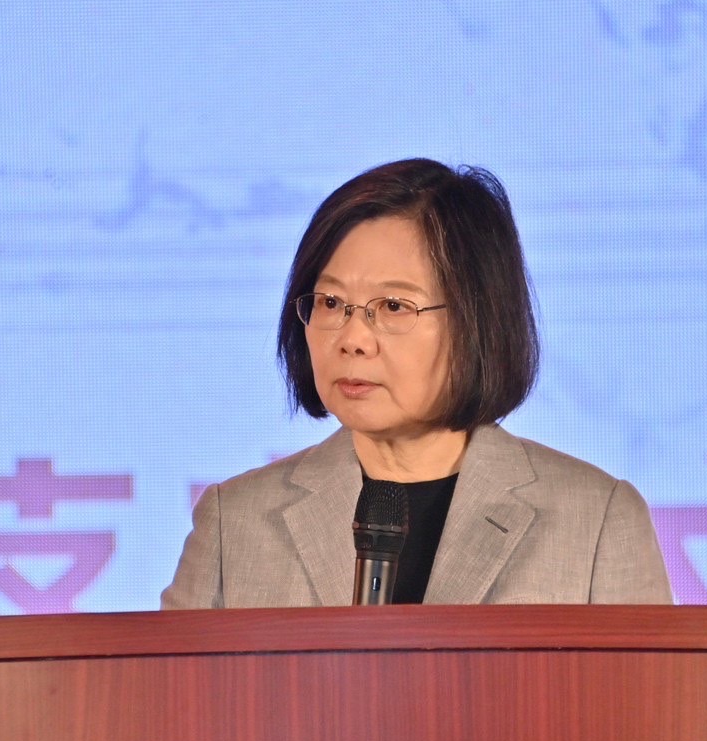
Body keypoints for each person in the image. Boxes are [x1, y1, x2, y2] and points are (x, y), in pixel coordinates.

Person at [161, 158, 672, 609]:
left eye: (393, 306)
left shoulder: (596, 521)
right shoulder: (235, 523)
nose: (353, 339)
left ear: (478, 321)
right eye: (331, 303)